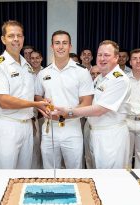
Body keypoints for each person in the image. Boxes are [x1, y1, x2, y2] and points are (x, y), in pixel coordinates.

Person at [53, 40, 131, 169]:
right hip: (95, 133)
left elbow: (99, 110)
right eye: (100, 55)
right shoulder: (100, 78)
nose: (102, 58)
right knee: (97, 173)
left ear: (116, 57)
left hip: (111, 136)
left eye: (106, 55)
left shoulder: (119, 79)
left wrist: (69, 112)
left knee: (111, 177)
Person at [0, 20, 49, 169]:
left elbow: (30, 95)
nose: (16, 39)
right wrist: (35, 105)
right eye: (11, 35)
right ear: (3, 39)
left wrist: (40, 108)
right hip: (7, 125)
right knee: (5, 172)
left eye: (19, 35)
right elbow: (3, 101)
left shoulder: (26, 65)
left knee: (24, 172)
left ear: (23, 39)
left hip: (27, 124)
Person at [35, 30, 94, 169]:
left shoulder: (81, 72)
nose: (60, 46)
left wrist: (68, 113)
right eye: (57, 43)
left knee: (74, 171)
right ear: (52, 47)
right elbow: (37, 96)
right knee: (50, 170)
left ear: (70, 47)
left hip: (72, 126)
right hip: (49, 128)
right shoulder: (44, 72)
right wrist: (43, 105)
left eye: (64, 43)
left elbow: (87, 102)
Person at [30, 50, 45, 169]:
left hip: (45, 113)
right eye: (32, 58)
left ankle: (45, 169)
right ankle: (36, 170)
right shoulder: (26, 73)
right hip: (31, 113)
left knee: (45, 143)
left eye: (37, 58)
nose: (35, 60)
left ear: (41, 59)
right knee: (34, 143)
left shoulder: (47, 72)